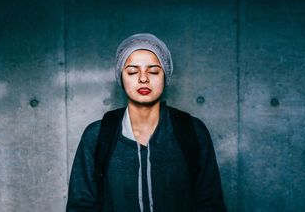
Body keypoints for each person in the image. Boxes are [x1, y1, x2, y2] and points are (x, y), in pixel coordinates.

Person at [66, 33, 227, 212]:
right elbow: (81, 206)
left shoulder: (192, 131)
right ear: (121, 77)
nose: (143, 78)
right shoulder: (97, 135)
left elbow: (211, 203)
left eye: (153, 71)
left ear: (165, 76)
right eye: (133, 71)